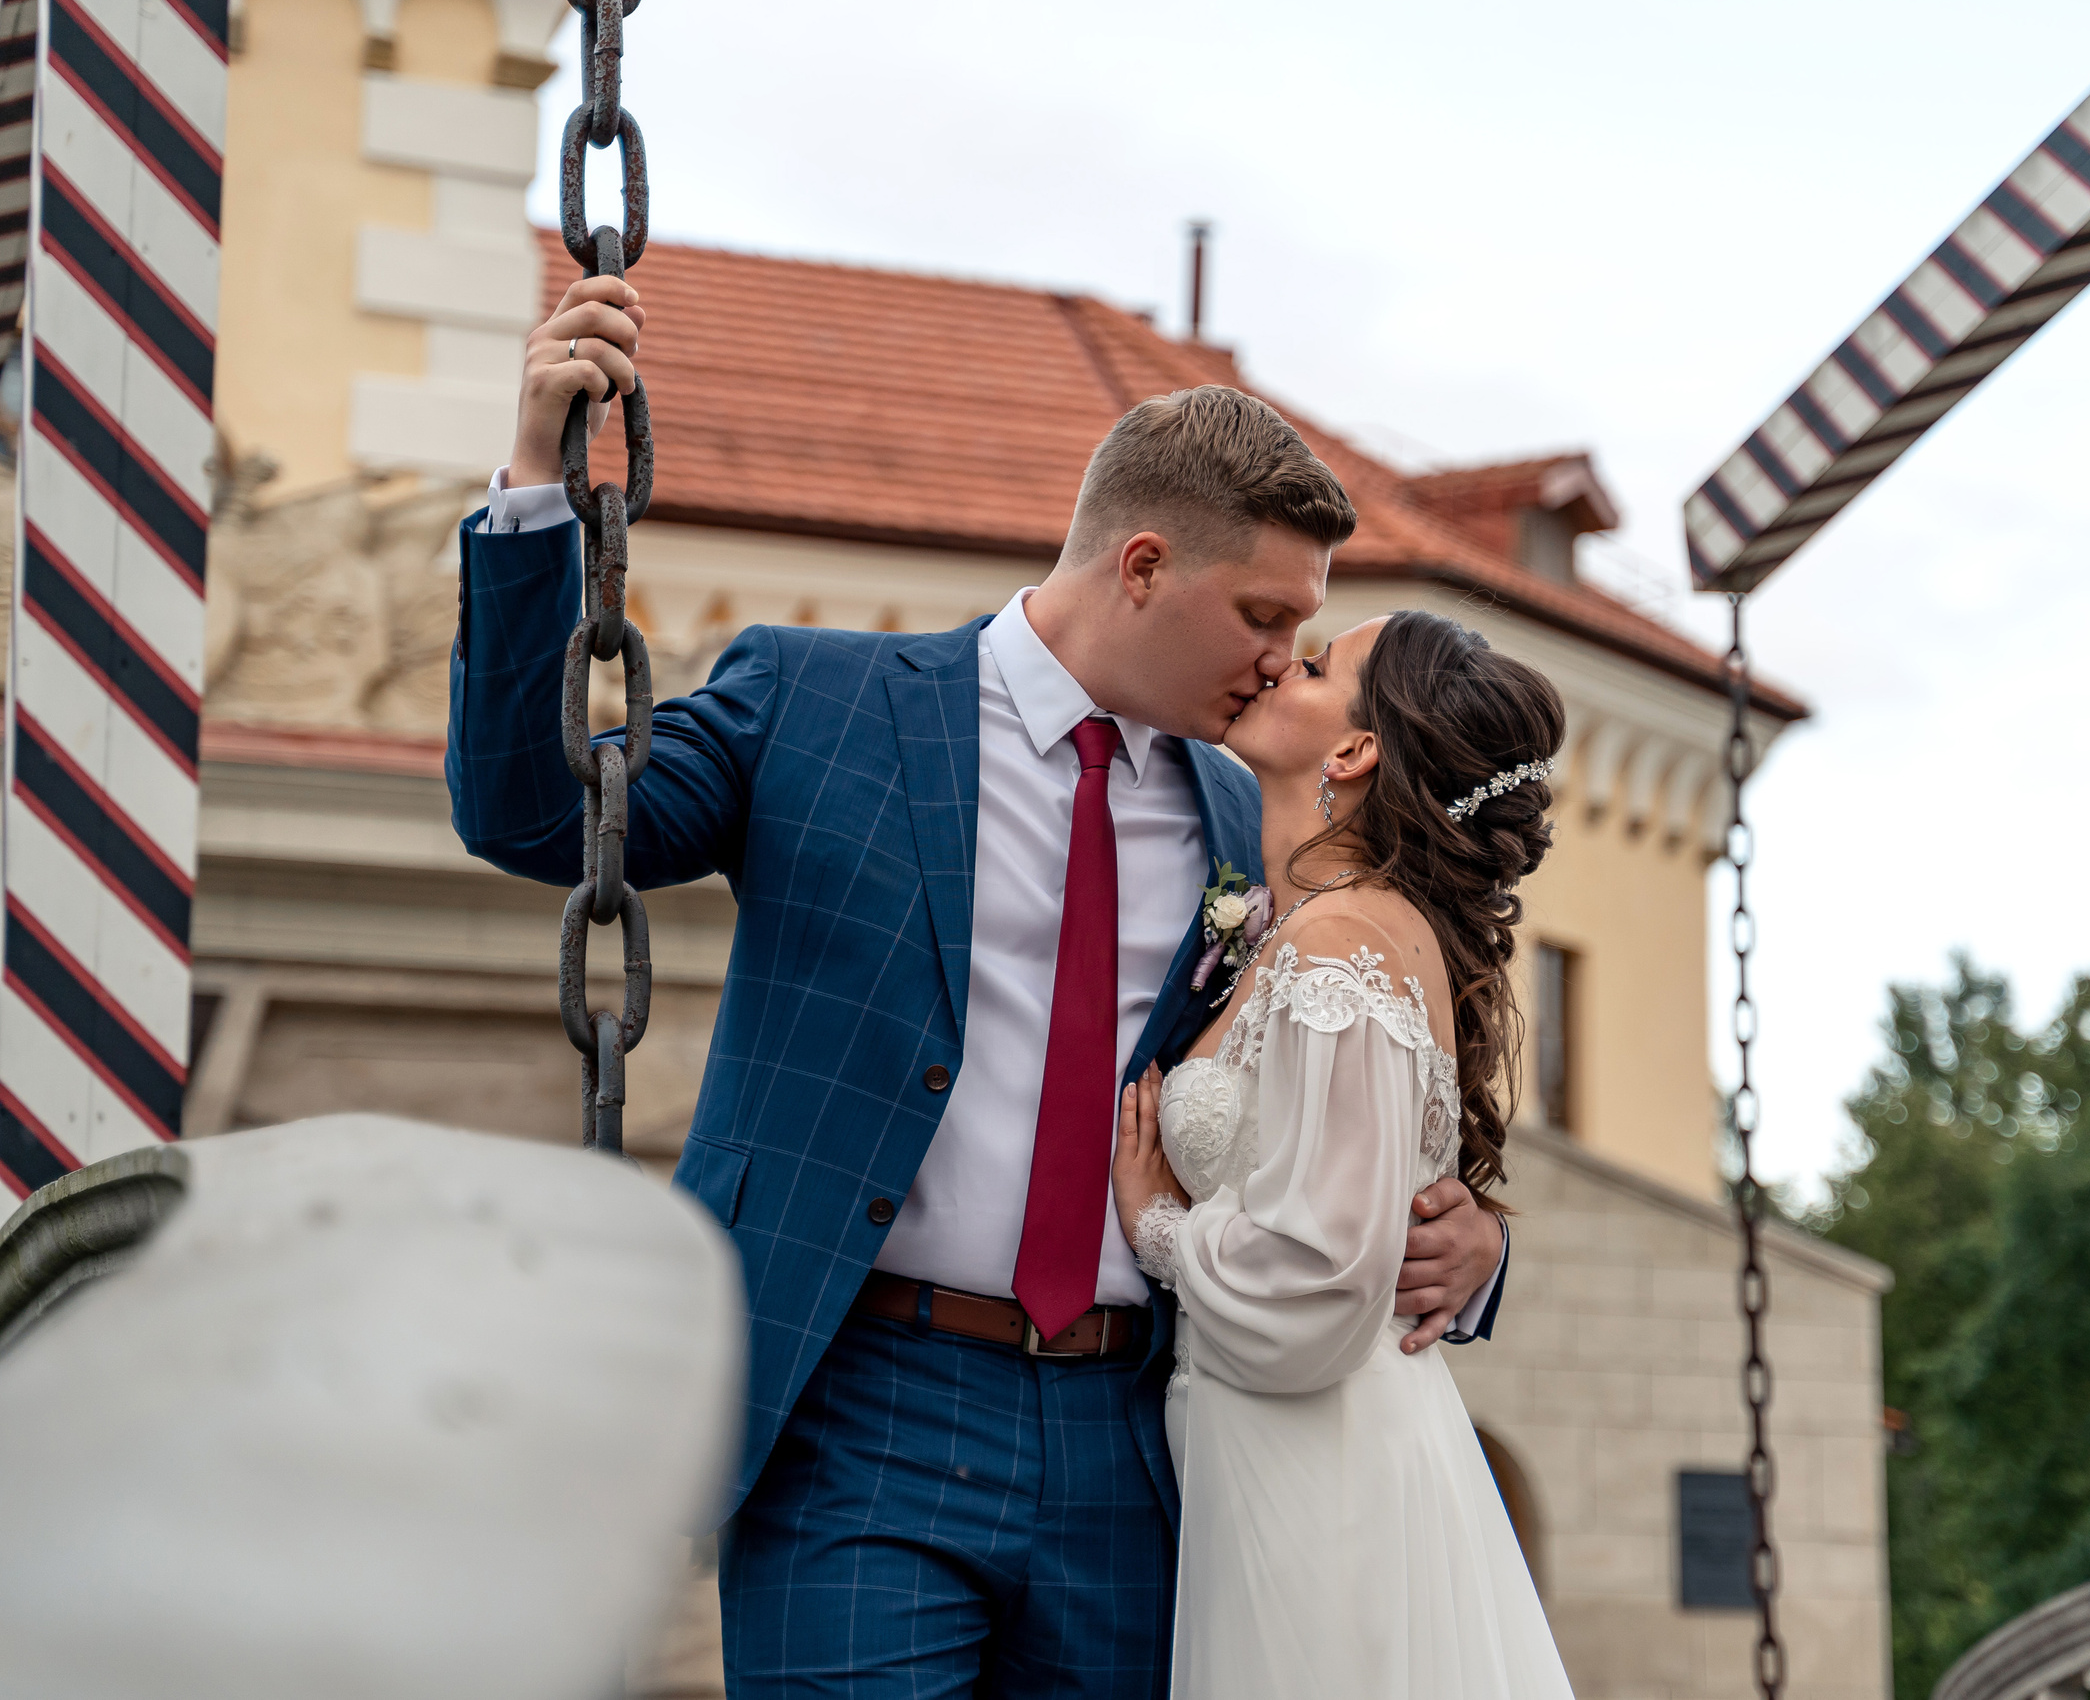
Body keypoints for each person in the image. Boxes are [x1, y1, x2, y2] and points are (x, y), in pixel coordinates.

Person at [448, 275, 1513, 1696]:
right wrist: (535, 486)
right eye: (1264, 611)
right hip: (859, 1413)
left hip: (1141, 1440)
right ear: (1142, 566)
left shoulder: (1241, 805)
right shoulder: (816, 702)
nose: (1280, 658)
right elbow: (535, 814)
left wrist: (1472, 1238)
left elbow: (1341, 1081)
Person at [1109, 610, 1574, 1698]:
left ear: (1355, 752)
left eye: (1315, 665)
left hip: (1315, 1457)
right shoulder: (1294, 918)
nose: (1280, 660)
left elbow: (1321, 1278)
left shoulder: (1339, 945)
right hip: (1272, 1444)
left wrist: (1155, 1228)